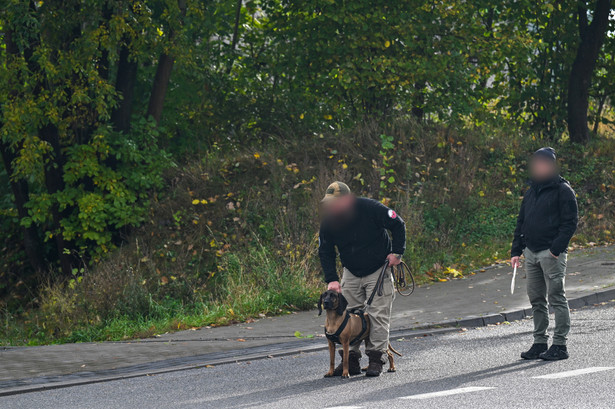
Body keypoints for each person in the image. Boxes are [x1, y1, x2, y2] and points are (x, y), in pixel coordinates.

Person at [318, 181, 406, 376]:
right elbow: (325, 250)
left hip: (378, 268)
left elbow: (398, 224)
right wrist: (332, 278)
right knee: (346, 314)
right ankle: (352, 361)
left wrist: (397, 253)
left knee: (378, 314)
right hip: (351, 270)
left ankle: (376, 358)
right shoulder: (329, 221)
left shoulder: (371, 208)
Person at [511, 147, 578, 361]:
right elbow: (522, 222)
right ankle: (540, 342)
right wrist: (516, 251)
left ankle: (560, 345)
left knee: (556, 297)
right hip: (531, 253)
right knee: (536, 299)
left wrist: (555, 250)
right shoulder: (531, 191)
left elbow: (570, 223)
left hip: (551, 254)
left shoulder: (563, 190)